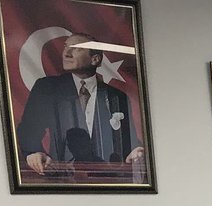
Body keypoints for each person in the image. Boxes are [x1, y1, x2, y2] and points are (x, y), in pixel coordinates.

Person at [17, 33, 145, 174]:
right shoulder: (47, 88)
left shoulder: (117, 96)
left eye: (76, 48)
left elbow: (128, 141)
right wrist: (34, 153)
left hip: (108, 177)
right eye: (66, 47)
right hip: (62, 177)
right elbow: (29, 131)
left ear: (95, 59)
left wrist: (135, 152)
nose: (66, 53)